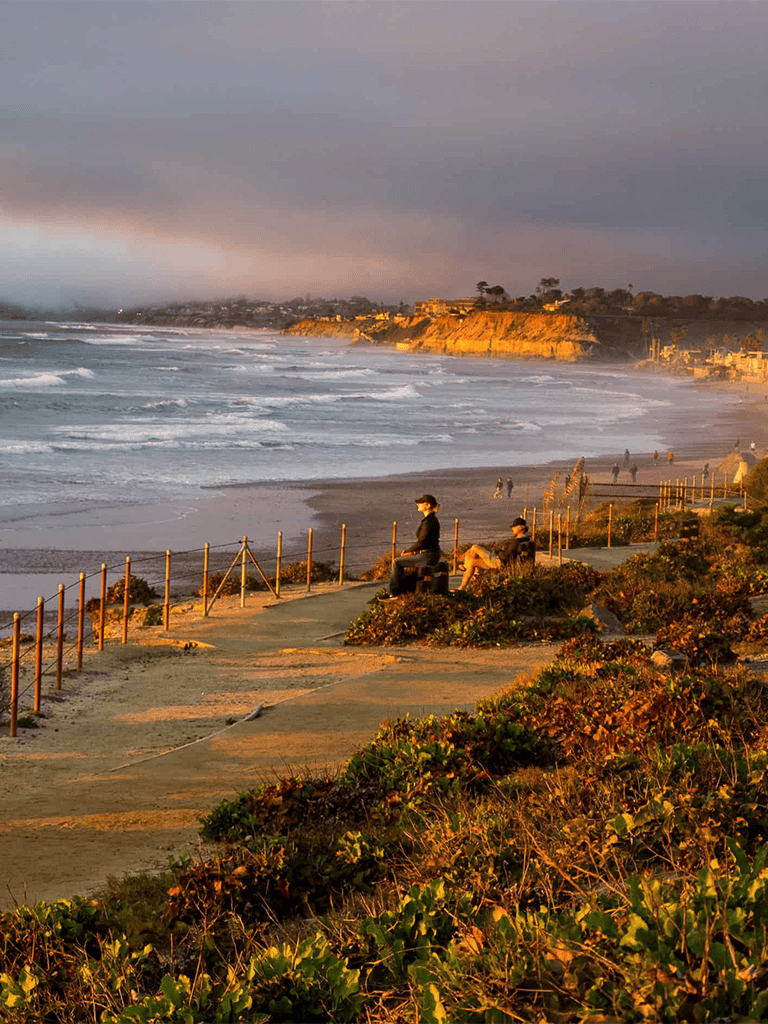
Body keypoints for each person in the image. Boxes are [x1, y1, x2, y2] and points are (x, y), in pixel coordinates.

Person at [381, 494, 441, 599]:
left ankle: (393, 593)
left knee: (397, 562)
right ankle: (401, 590)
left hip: (428, 556)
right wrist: (413, 552)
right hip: (430, 554)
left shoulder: (429, 521)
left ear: (427, 505)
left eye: (421, 503)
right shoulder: (430, 520)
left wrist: (409, 551)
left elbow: (422, 541)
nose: (418, 504)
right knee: (402, 562)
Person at [457, 517, 535, 590]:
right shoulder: (526, 539)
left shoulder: (517, 541)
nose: (512, 529)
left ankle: (465, 565)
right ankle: (461, 587)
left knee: (475, 547)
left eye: (514, 527)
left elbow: (506, 556)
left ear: (520, 528)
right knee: (472, 562)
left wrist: (498, 552)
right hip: (501, 562)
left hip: (498, 562)